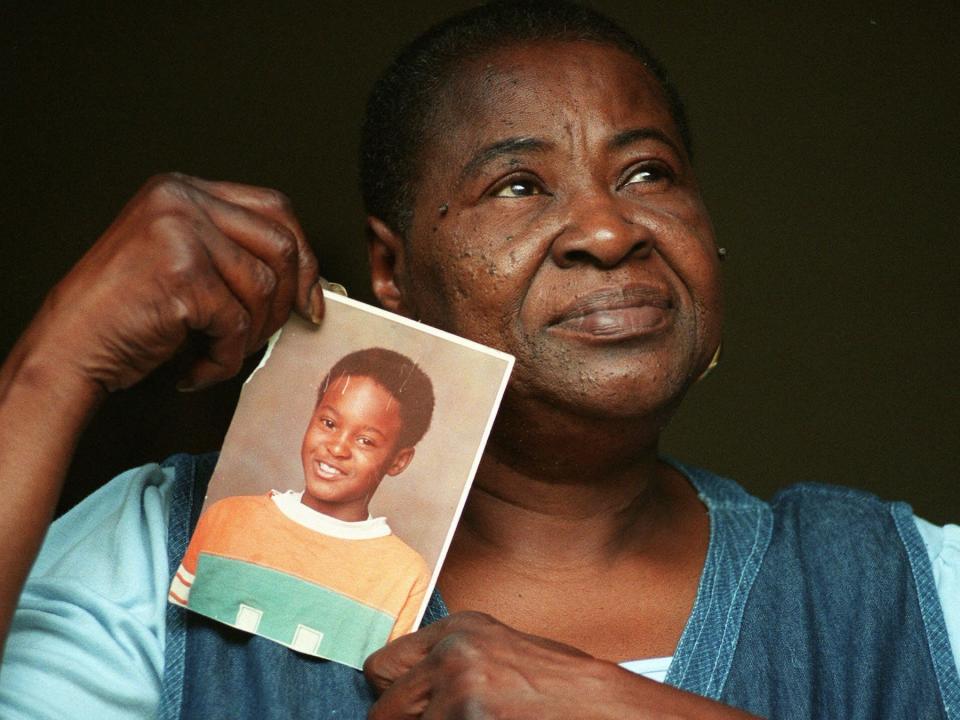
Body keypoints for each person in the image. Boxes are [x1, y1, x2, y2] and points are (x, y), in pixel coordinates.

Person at [0, 2, 957, 719]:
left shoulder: (908, 583)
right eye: (518, 184)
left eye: (647, 173)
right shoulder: (153, 552)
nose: (609, 227)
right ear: (391, 271)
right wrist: (50, 366)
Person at [167, 347, 434, 669]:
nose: (336, 447)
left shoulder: (405, 574)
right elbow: (176, 640)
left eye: (365, 440)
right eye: (329, 422)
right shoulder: (228, 517)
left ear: (399, 460)